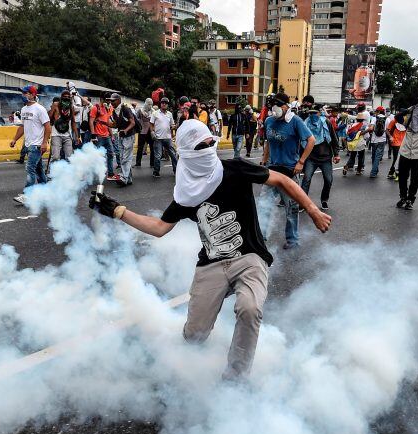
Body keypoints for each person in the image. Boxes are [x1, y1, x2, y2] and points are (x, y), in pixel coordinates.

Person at [88, 119, 331, 380]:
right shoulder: (186, 194)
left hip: (249, 256)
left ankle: (235, 379)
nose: (207, 149)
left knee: (249, 308)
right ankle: (186, 359)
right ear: (186, 153)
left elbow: (282, 179)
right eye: (200, 146)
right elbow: (159, 227)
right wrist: (118, 211)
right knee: (194, 336)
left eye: (209, 143)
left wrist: (313, 210)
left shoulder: (235, 169)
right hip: (211, 264)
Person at [261, 92, 316, 249]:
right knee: (263, 206)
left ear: (285, 106)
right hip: (271, 171)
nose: (274, 109)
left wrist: (301, 162)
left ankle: (292, 241)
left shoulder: (295, 121)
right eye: (271, 106)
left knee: (291, 209)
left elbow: (311, 140)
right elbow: (268, 142)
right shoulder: (269, 121)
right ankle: (261, 238)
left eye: (277, 106)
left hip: (289, 172)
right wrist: (264, 160)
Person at [10, 85, 51, 205]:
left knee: (30, 168)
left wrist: (44, 143)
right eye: (23, 93)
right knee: (39, 170)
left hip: (37, 145)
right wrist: (15, 139)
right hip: (28, 144)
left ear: (33, 95)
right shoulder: (23, 110)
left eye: (26, 93)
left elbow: (48, 128)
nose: (23, 95)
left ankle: (27, 195)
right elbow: (22, 127)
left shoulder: (40, 109)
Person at [300, 97, 340, 211]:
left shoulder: (326, 122)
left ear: (320, 113)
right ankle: (303, 203)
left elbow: (333, 138)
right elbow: (301, 141)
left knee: (328, 180)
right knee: (306, 179)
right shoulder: (305, 123)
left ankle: (324, 200)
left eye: (315, 113)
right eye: (311, 113)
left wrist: (336, 154)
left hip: (326, 158)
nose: (313, 115)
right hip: (311, 158)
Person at [108, 92, 136, 187]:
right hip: (121, 136)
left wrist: (126, 130)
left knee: (126, 158)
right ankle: (129, 179)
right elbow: (115, 124)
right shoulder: (114, 111)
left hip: (129, 136)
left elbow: (132, 123)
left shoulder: (125, 109)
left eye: (113, 101)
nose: (112, 103)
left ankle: (124, 177)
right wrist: (103, 123)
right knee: (122, 157)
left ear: (119, 100)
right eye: (111, 101)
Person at [89, 93, 116, 180]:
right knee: (98, 157)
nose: (108, 102)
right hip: (98, 136)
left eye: (110, 100)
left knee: (111, 154)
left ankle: (110, 174)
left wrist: (111, 135)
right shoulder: (95, 108)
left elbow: (108, 122)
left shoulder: (110, 108)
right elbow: (91, 121)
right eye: (106, 99)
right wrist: (93, 135)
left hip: (107, 136)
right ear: (101, 99)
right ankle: (91, 173)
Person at [150, 96, 177, 178]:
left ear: (167, 105)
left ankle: (176, 171)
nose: (164, 104)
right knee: (158, 156)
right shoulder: (155, 113)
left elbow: (172, 124)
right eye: (163, 103)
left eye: (166, 103)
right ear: (160, 104)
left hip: (168, 138)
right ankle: (156, 171)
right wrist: (152, 132)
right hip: (158, 138)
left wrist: (174, 127)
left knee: (173, 155)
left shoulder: (170, 114)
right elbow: (151, 124)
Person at [48, 89, 79, 162]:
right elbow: (49, 118)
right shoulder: (56, 105)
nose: (66, 98)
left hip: (67, 135)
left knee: (70, 157)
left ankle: (67, 173)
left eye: (68, 97)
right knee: (55, 157)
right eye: (65, 96)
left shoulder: (71, 107)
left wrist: (77, 136)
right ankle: (54, 172)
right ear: (61, 97)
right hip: (56, 135)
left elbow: (73, 122)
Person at [367, 106, 388, 177]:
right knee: (378, 157)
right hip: (382, 140)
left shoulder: (374, 118)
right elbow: (387, 130)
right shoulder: (386, 119)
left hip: (374, 140)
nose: (375, 112)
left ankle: (374, 172)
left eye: (376, 111)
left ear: (378, 112)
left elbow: (371, 128)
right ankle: (374, 171)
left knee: (374, 156)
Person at [135, 98, 155, 168]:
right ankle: (138, 163)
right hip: (142, 131)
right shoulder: (140, 110)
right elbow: (136, 118)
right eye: (149, 104)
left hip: (150, 131)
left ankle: (152, 163)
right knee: (140, 148)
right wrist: (138, 126)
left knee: (152, 148)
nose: (150, 106)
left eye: (151, 104)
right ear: (146, 103)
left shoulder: (153, 111)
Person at [386, 114, 406, 180]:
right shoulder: (393, 121)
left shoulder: (406, 121)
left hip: (404, 143)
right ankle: (394, 173)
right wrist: (390, 137)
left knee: (399, 159)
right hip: (395, 142)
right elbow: (387, 130)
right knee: (396, 158)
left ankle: (392, 173)